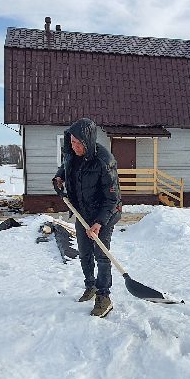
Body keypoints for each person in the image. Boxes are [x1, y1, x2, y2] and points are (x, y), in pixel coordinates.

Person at [53, 118, 122, 317]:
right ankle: (90, 286)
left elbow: (113, 198)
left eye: (78, 143)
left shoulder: (104, 161)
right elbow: (65, 167)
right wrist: (59, 177)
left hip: (106, 212)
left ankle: (104, 296)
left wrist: (99, 223)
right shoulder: (72, 155)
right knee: (84, 252)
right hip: (82, 211)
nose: (74, 147)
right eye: (72, 142)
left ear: (88, 141)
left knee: (101, 254)